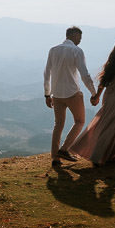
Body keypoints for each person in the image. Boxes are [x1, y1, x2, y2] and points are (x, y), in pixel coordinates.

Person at [69, 35, 115, 166]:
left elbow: (104, 81)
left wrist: (97, 96)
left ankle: (111, 151)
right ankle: (100, 154)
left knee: (105, 122)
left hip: (109, 96)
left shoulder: (112, 61)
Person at [44, 26, 97, 168]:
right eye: (79, 37)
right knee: (80, 121)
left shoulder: (53, 50)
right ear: (74, 35)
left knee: (58, 125)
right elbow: (85, 75)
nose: (80, 40)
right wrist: (94, 93)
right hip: (73, 93)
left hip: (57, 94)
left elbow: (47, 73)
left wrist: (47, 94)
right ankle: (64, 149)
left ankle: (55, 158)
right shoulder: (76, 51)